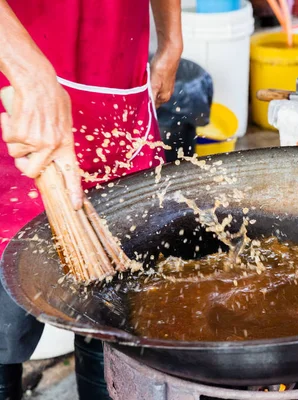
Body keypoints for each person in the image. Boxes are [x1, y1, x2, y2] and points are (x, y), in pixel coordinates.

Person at [0, 0, 182, 399]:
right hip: (13, 75)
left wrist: (171, 39)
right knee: (2, 321)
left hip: (120, 79)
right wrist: (31, 75)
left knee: (116, 307)